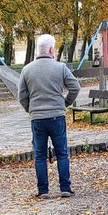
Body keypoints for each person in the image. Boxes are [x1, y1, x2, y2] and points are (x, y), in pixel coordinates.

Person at [17, 34, 81, 198]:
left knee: (39, 155)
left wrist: (31, 110)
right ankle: (65, 188)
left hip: (37, 118)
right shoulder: (60, 68)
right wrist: (65, 103)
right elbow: (75, 87)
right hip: (56, 116)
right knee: (62, 153)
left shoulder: (27, 70)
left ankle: (43, 190)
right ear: (51, 50)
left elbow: (22, 96)